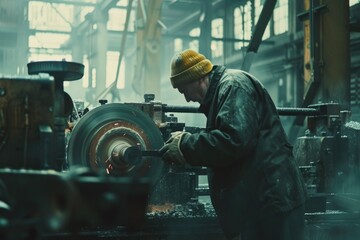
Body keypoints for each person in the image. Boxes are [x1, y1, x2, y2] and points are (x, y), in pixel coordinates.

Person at [160, 49, 308, 240]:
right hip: (261, 203)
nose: (187, 99)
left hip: (273, 202)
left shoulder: (233, 86)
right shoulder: (222, 92)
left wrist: (186, 144)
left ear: (197, 78)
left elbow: (233, 141)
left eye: (184, 90)